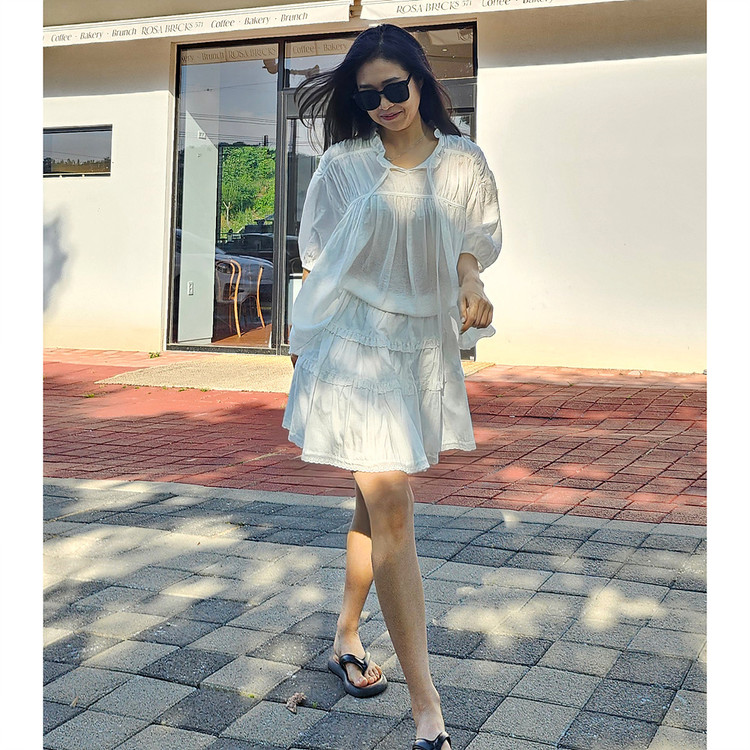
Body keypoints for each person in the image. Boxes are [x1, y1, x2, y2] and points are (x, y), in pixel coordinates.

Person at [282, 23, 501, 750]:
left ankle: (346, 634)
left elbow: (472, 243)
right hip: (350, 351)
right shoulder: (344, 166)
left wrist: (471, 284)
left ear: (421, 80)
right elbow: (319, 260)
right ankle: (426, 709)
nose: (384, 104)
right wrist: (305, 349)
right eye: (368, 95)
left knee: (375, 505)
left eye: (395, 87)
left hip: (417, 350)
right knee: (394, 510)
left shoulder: (464, 162)